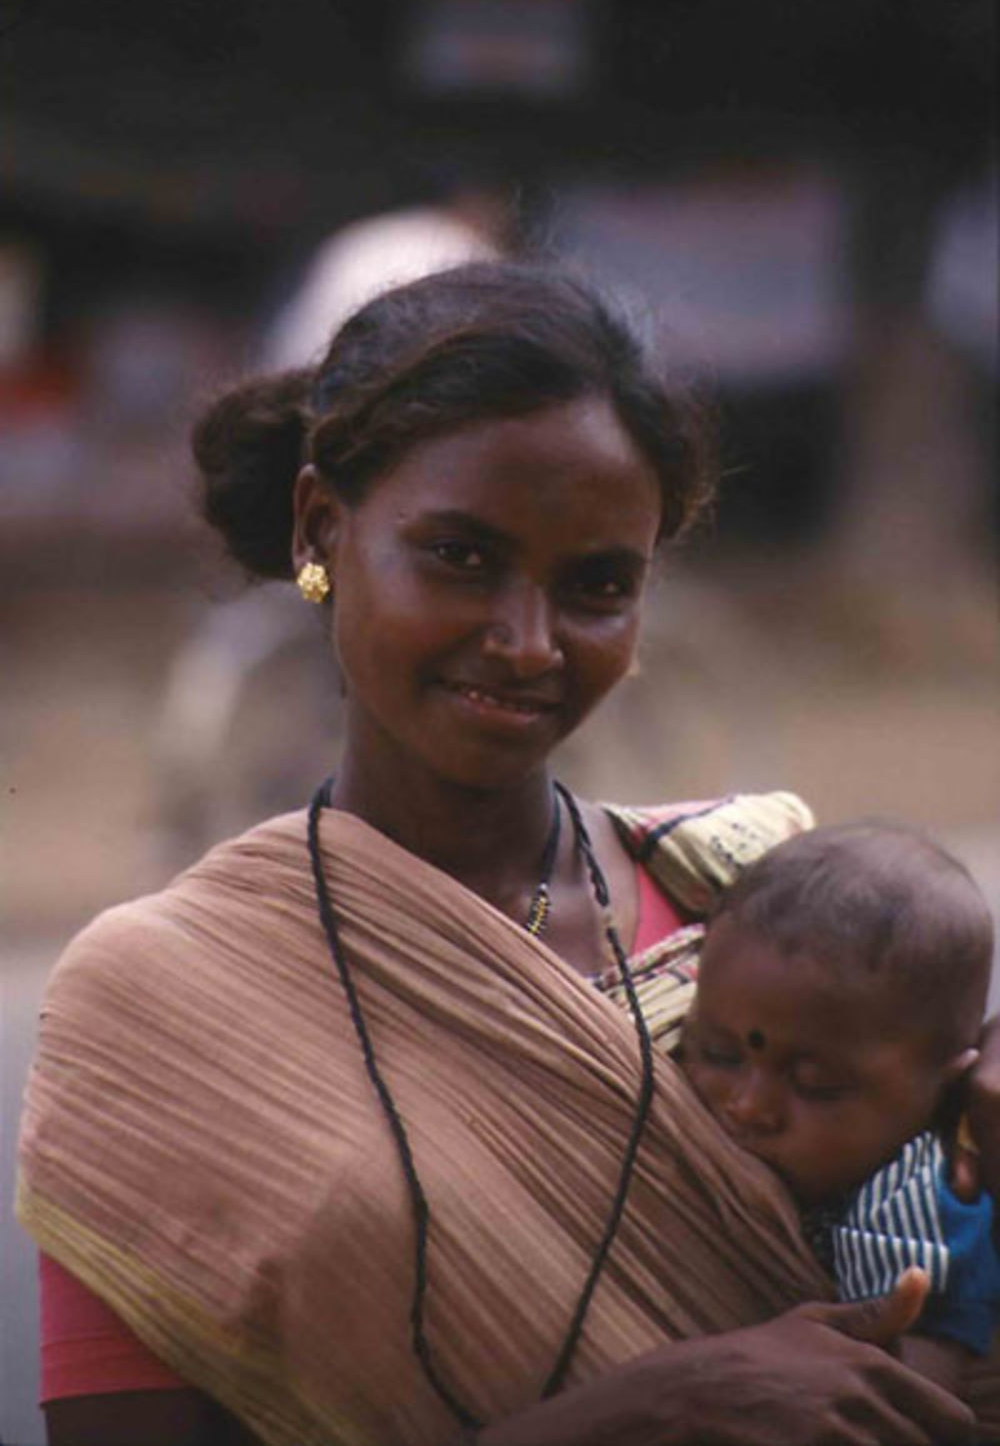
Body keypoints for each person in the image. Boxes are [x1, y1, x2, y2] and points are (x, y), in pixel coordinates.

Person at [16, 260, 999, 1446]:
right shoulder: (161, 1003)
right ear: (322, 527)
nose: (527, 644)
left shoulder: (758, 912)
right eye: (461, 557)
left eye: (594, 584)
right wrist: (653, 1413)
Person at [678, 820, 1000, 1397]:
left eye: (818, 1086)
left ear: (944, 1089)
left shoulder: (907, 1199)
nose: (748, 1106)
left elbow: (909, 1387)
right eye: (718, 1053)